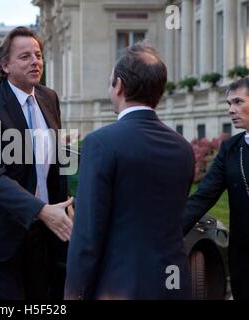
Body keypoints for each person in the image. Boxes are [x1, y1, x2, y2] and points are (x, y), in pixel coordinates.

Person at [64, 42, 195, 300]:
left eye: (110, 82)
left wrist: (73, 291)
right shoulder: (183, 147)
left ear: (119, 86)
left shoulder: (100, 143)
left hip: (118, 285)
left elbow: (88, 233)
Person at [0, 26, 74, 300]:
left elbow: (58, 158)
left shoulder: (49, 97)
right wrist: (42, 210)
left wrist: (67, 204)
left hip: (41, 227)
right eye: (25, 56)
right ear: (4, 64)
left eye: (38, 55)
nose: (35, 61)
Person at [183, 77, 249, 300]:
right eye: (229, 104)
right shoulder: (231, 150)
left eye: (238, 102)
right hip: (244, 259)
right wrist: (166, 232)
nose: (231, 110)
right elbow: (202, 197)